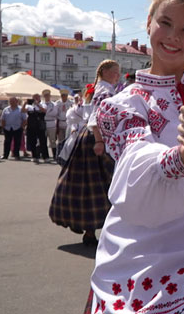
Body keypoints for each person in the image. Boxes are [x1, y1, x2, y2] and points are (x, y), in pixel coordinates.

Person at [85, 0, 184, 314]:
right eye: (165, 23)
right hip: (141, 242)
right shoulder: (123, 103)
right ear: (149, 22)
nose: (174, 37)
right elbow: (137, 160)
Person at [49, 60, 119, 247]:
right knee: (100, 187)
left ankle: (86, 227)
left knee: (89, 187)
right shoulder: (104, 90)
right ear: (103, 72)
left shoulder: (101, 88)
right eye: (114, 72)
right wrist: (99, 141)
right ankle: (90, 228)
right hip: (95, 140)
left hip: (91, 139)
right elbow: (96, 118)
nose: (117, 76)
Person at [39, 89, 59, 160]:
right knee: (43, 140)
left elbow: (54, 113)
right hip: (43, 123)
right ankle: (45, 155)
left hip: (51, 123)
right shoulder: (41, 104)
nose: (47, 97)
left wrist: (45, 112)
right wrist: (46, 112)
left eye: (48, 95)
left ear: (50, 96)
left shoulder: (54, 104)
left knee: (52, 140)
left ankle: (55, 155)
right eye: (45, 96)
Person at [54, 89, 73, 158]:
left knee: (68, 139)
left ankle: (67, 154)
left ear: (67, 96)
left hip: (68, 123)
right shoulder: (58, 103)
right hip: (60, 122)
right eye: (62, 95)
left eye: (65, 95)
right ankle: (60, 154)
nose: (63, 97)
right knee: (60, 139)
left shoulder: (71, 103)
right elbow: (55, 113)